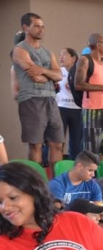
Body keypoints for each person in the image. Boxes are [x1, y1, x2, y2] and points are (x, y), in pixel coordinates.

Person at [11, 13, 64, 167]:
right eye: (36, 26)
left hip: (51, 100)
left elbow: (59, 75)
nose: (41, 29)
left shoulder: (47, 52)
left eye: (42, 26)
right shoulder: (20, 50)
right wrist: (51, 75)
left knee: (57, 143)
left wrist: (42, 70)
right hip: (31, 99)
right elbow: (36, 78)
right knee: (36, 145)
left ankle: (56, 186)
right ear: (25, 27)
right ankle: (36, 186)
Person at [48, 150, 103, 250]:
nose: (93, 175)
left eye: (94, 171)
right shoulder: (57, 184)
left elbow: (100, 210)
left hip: (90, 225)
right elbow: (56, 216)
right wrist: (85, 217)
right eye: (90, 170)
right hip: (67, 227)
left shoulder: (93, 185)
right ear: (80, 166)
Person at [76, 33, 103, 160]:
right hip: (91, 109)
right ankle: (90, 175)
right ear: (99, 46)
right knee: (92, 147)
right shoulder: (85, 60)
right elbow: (78, 85)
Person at [57, 48, 82, 160]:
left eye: (64, 54)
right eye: (60, 54)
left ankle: (75, 168)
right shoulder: (58, 71)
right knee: (58, 142)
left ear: (73, 58)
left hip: (77, 110)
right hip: (61, 109)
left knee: (76, 143)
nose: (61, 57)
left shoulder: (80, 71)